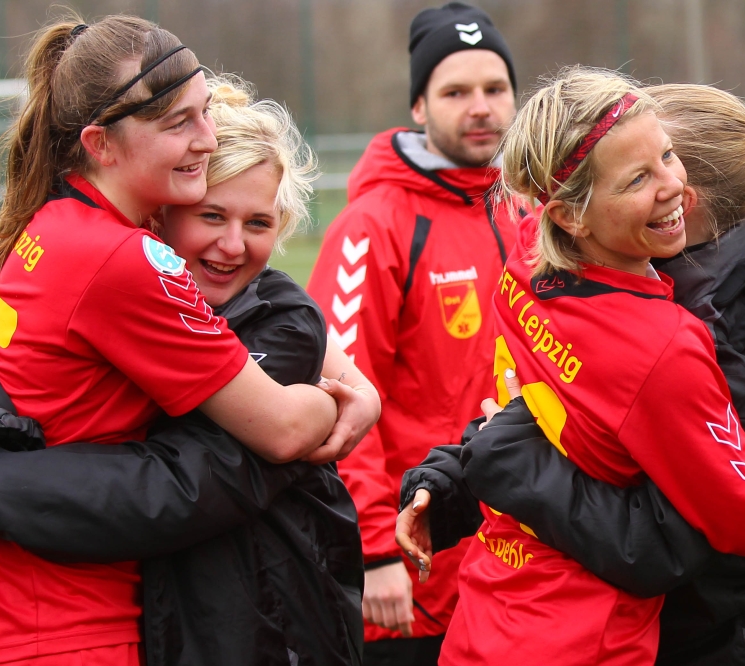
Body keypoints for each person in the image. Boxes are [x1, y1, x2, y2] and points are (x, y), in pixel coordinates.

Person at [0, 15, 376, 666]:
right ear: (101, 144)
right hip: (65, 628)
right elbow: (282, 430)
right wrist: (339, 405)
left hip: (2, 609)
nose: (204, 138)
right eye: (179, 124)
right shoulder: (127, 261)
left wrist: (352, 376)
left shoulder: (56, 220)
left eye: (203, 114)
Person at [395, 67, 745, 666]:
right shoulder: (618, 306)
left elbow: (668, 532)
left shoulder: (708, 339)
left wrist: (493, 461)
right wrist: (459, 472)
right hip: (597, 628)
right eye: (637, 172)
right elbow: (553, 415)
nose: (668, 185)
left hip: (744, 628)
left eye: (665, 158)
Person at [304, 3, 521, 662]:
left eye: (495, 89)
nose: (480, 107)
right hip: (413, 577)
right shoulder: (372, 228)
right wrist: (372, 550)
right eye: (456, 92)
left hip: (520, 570)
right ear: (420, 107)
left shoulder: (535, 214)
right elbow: (333, 399)